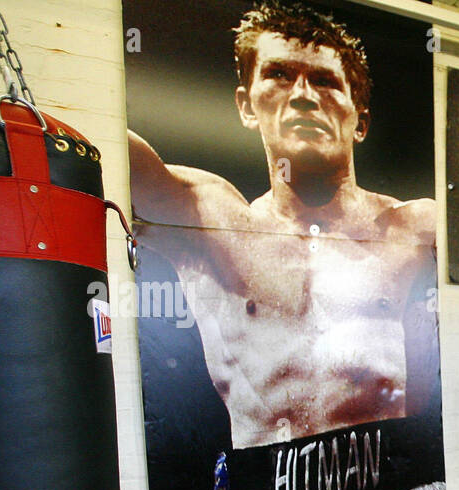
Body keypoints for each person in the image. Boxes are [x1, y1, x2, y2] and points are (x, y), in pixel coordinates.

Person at [128, 1, 437, 449]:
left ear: (361, 122)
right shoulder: (210, 218)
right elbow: (102, 143)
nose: (304, 96)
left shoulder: (416, 228)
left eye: (326, 81)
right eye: (279, 74)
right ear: (246, 107)